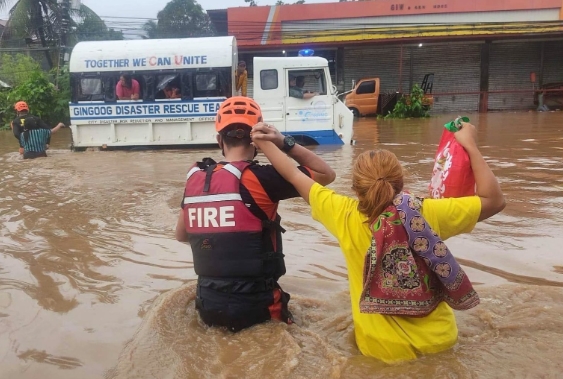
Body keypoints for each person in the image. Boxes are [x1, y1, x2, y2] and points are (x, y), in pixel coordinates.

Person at [250, 121, 505, 362]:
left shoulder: (342, 214)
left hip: (380, 350)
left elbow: (294, 176)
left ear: (355, 187)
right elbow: (495, 201)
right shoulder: (427, 213)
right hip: (440, 341)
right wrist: (469, 145)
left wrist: (268, 142)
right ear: (401, 182)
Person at [175, 96, 336, 332]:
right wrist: (283, 142)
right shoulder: (264, 178)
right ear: (256, 141)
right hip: (258, 307)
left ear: (219, 139)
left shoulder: (195, 179)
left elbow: (181, 235)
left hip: (207, 305)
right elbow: (326, 174)